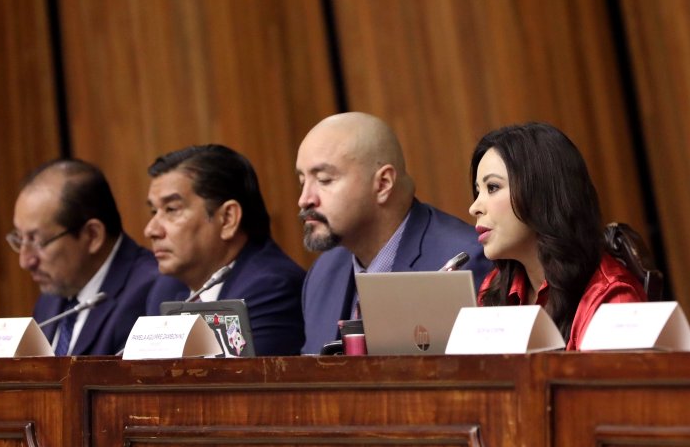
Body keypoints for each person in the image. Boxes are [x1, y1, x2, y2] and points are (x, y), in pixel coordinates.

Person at [296, 112, 491, 354]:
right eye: (302, 180)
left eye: (324, 180)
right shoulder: (322, 275)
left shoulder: (465, 263)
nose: (304, 200)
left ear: (383, 183)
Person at [469, 122, 646, 351]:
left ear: (541, 195)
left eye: (492, 187)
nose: (474, 207)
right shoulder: (494, 286)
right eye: (477, 191)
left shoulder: (612, 299)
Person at [144, 144, 306, 355]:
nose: (151, 230)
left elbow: (239, 385)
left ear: (228, 218)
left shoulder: (271, 288)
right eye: (153, 211)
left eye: (171, 209)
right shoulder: (166, 290)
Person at [10, 159, 159, 356]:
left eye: (38, 241)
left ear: (92, 235)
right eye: (20, 239)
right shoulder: (51, 297)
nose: (25, 261)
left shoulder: (151, 291)